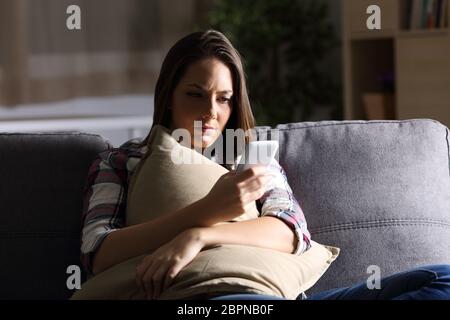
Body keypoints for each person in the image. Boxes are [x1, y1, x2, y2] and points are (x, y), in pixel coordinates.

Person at [79, 29, 450, 300]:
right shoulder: (121, 162)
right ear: (169, 96)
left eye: (224, 99)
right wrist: (207, 209)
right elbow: (99, 250)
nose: (211, 112)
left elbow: (291, 233)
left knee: (442, 279)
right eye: (195, 95)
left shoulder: (249, 158)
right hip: (211, 301)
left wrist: (199, 235)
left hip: (272, 292)